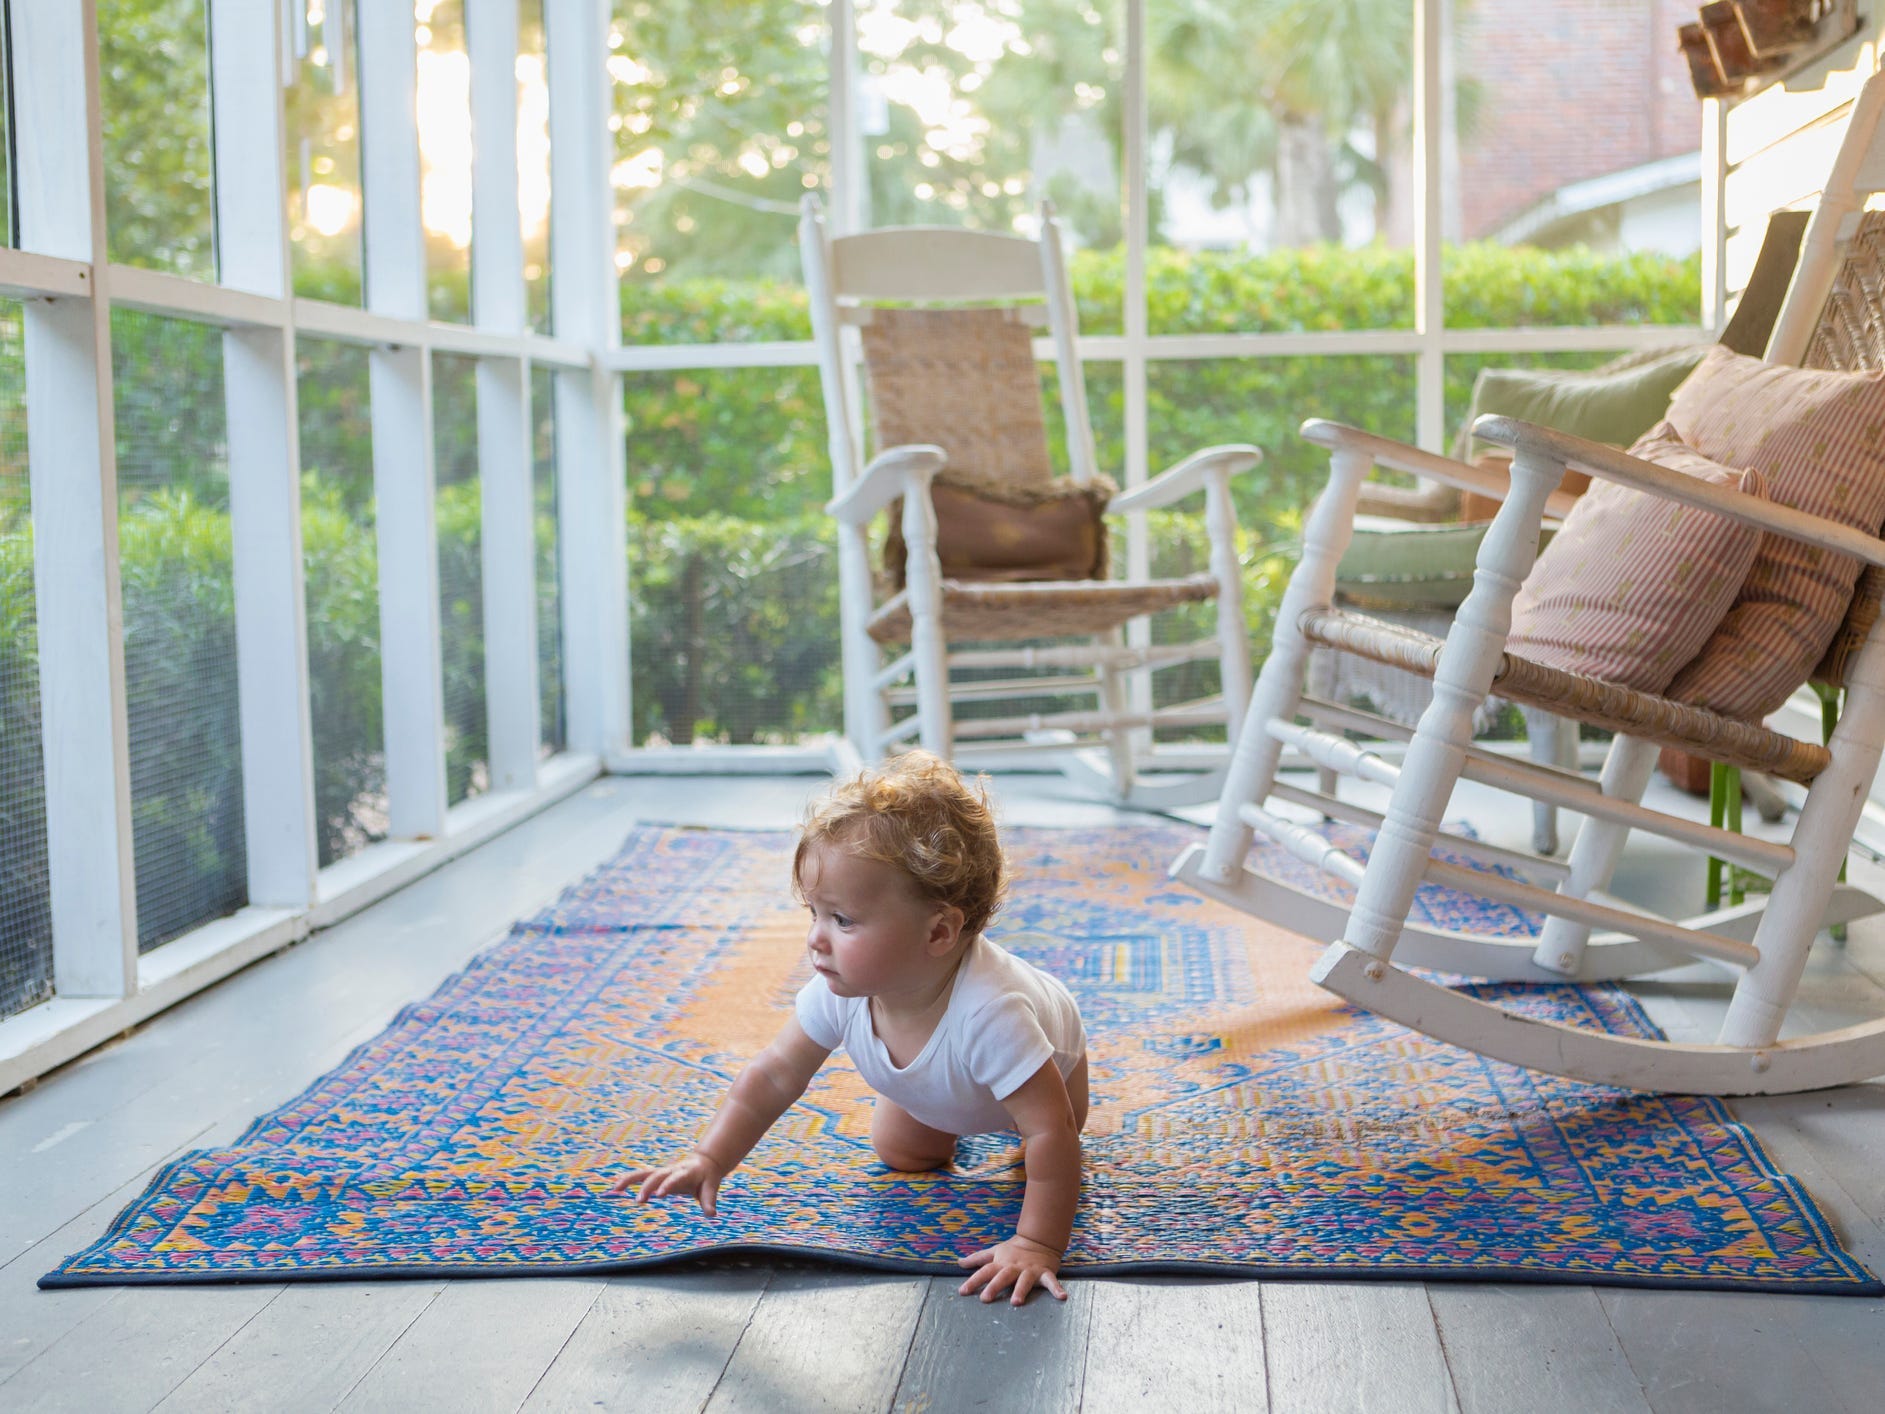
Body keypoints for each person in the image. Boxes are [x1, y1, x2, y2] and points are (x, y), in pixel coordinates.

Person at [612, 751, 1089, 1306]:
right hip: (948, 1085)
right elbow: (773, 1075)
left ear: (938, 933)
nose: (817, 937)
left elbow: (1050, 1132)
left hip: (1050, 1069)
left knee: (1043, 1154)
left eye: (842, 920)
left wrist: (1037, 1242)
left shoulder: (994, 1013)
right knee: (899, 1151)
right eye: (814, 912)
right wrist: (709, 1158)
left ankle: (996, 1149)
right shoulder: (841, 990)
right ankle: (944, 1111)